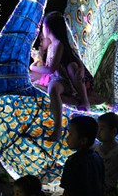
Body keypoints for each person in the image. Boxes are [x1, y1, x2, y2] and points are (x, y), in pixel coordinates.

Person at [30, 12, 92, 141]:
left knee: (54, 88)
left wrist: (33, 67)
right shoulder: (51, 46)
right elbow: (48, 67)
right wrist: (37, 59)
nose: (42, 30)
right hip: (54, 79)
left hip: (62, 80)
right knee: (44, 89)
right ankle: (77, 102)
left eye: (43, 27)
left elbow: (51, 68)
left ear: (48, 28)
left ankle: (57, 129)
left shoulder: (59, 44)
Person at [52, 115, 105, 196]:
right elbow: (101, 187)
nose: (67, 137)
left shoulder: (73, 161)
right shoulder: (97, 158)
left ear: (83, 140)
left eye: (71, 134)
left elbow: (68, 193)